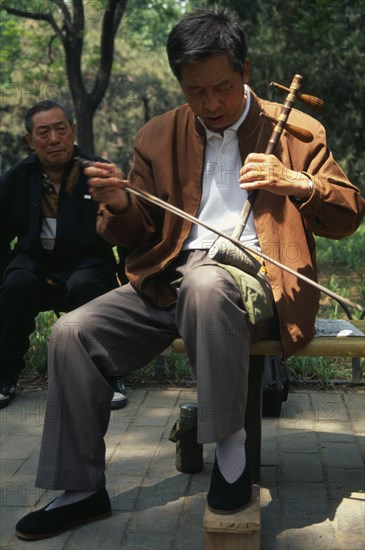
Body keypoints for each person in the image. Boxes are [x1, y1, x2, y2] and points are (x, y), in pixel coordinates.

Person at [15, 9, 365, 540]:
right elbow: (136, 235)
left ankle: (230, 458)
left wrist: (298, 183)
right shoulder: (158, 135)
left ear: (245, 70)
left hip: (260, 284)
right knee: (72, 333)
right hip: (172, 282)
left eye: (223, 87)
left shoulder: (294, 128)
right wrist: (117, 204)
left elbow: (348, 214)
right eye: (195, 91)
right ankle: (81, 488)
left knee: (208, 282)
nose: (212, 104)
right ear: (180, 84)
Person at [0, 100, 127, 410]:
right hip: (34, 261)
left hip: (87, 261)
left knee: (85, 284)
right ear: (30, 140)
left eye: (60, 129)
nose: (53, 139)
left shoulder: (96, 171)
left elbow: (125, 225)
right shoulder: (19, 176)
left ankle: (106, 376)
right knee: (16, 283)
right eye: (43, 132)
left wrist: (127, 274)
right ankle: (5, 375)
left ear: (73, 130)